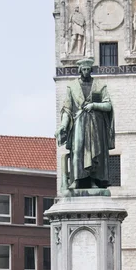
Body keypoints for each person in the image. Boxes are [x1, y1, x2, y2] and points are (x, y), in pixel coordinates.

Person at [56, 57, 115, 190]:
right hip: (79, 124)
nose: (86, 72)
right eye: (84, 69)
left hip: (96, 125)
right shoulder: (72, 87)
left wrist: (94, 105)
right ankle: (77, 180)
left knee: (96, 152)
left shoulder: (100, 86)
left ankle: (94, 181)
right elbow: (67, 109)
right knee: (78, 151)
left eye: (88, 69)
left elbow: (108, 106)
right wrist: (63, 126)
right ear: (80, 70)